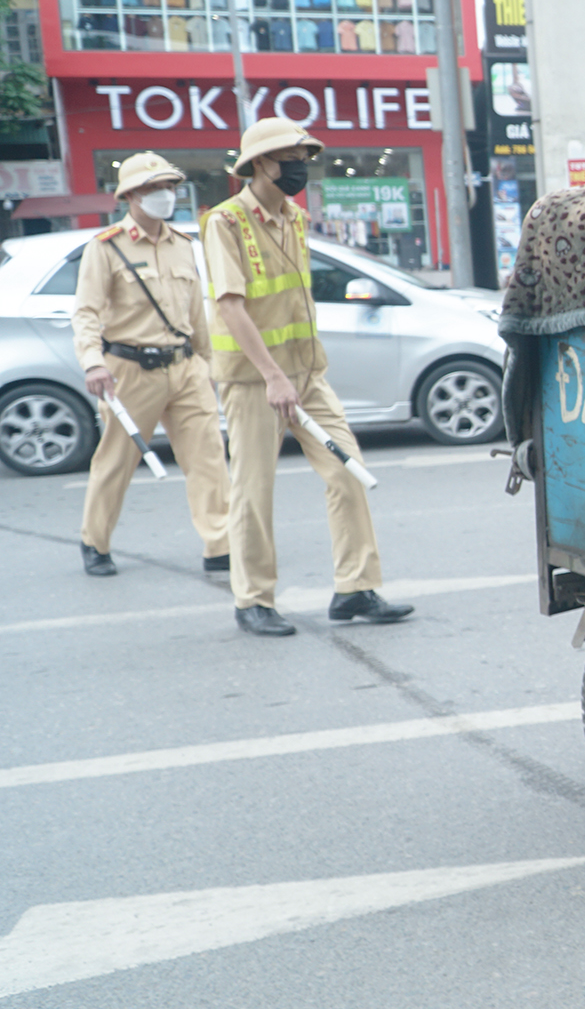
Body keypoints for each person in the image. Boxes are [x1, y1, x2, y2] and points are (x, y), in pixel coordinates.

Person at [203, 117, 413, 637]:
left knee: (348, 471)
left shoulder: (293, 217)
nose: (298, 167)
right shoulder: (225, 223)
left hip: (306, 375)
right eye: (288, 158)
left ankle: (355, 588)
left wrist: (296, 374)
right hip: (257, 382)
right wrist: (274, 377)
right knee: (253, 488)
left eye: (303, 157)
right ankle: (252, 599)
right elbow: (231, 308)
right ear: (259, 164)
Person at [72, 152, 230, 577]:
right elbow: (86, 312)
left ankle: (220, 544)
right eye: (153, 188)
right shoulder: (106, 248)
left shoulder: (184, 246)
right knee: (116, 459)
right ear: (131, 196)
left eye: (169, 187)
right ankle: (95, 540)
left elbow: (197, 312)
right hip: (128, 370)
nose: (164, 195)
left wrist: (210, 366)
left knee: (209, 458)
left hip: (185, 366)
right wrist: (92, 363)